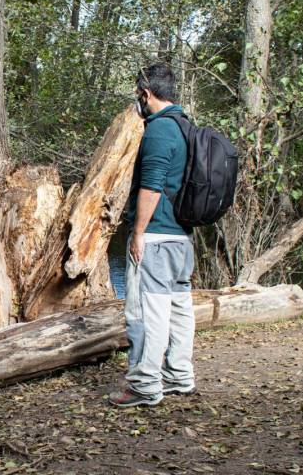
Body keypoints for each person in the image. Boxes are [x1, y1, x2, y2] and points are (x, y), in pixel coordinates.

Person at [109, 63, 196, 408]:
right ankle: (179, 375)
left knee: (146, 312)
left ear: (146, 94)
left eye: (138, 95)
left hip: (157, 236)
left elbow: (152, 186)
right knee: (179, 309)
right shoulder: (186, 126)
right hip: (181, 239)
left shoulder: (159, 130)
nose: (137, 101)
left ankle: (145, 385)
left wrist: (138, 233)